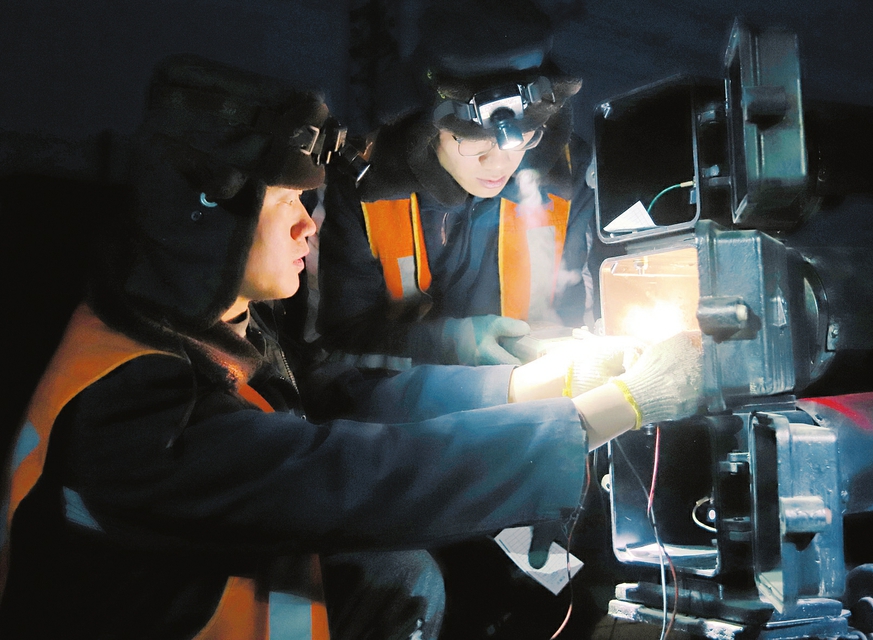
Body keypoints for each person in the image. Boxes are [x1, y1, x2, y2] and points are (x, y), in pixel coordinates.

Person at [0, 54, 703, 639]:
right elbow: (350, 476)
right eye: (287, 203)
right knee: (408, 570)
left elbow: (342, 400)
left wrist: (540, 383)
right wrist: (615, 409)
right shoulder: (126, 407)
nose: (309, 225)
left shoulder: (206, 328)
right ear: (210, 221)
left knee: (499, 566)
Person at [317, 0, 597, 368]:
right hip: (398, 399)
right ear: (425, 131)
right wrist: (443, 342)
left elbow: (578, 313)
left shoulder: (570, 176)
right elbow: (342, 339)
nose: (498, 162)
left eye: (522, 137)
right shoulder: (364, 187)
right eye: (471, 140)